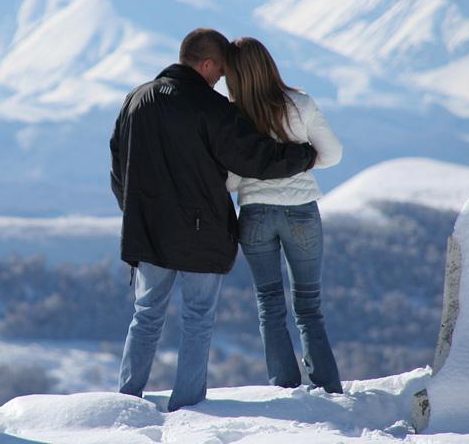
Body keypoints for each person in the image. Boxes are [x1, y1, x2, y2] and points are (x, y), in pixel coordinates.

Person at [109, 28, 318, 411]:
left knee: (146, 315)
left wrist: (137, 212)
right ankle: (187, 406)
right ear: (206, 64)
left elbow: (118, 170)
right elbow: (253, 157)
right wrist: (304, 156)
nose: (221, 80)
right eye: (220, 72)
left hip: (148, 231)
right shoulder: (210, 107)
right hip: (200, 234)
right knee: (198, 319)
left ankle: (127, 399)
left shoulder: (135, 100)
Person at [224, 36, 343, 394]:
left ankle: (285, 388)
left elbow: (229, 180)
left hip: (255, 214)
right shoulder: (300, 103)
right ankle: (327, 388)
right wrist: (303, 159)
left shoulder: (233, 115)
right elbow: (333, 154)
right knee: (309, 306)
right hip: (301, 212)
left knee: (269, 303)